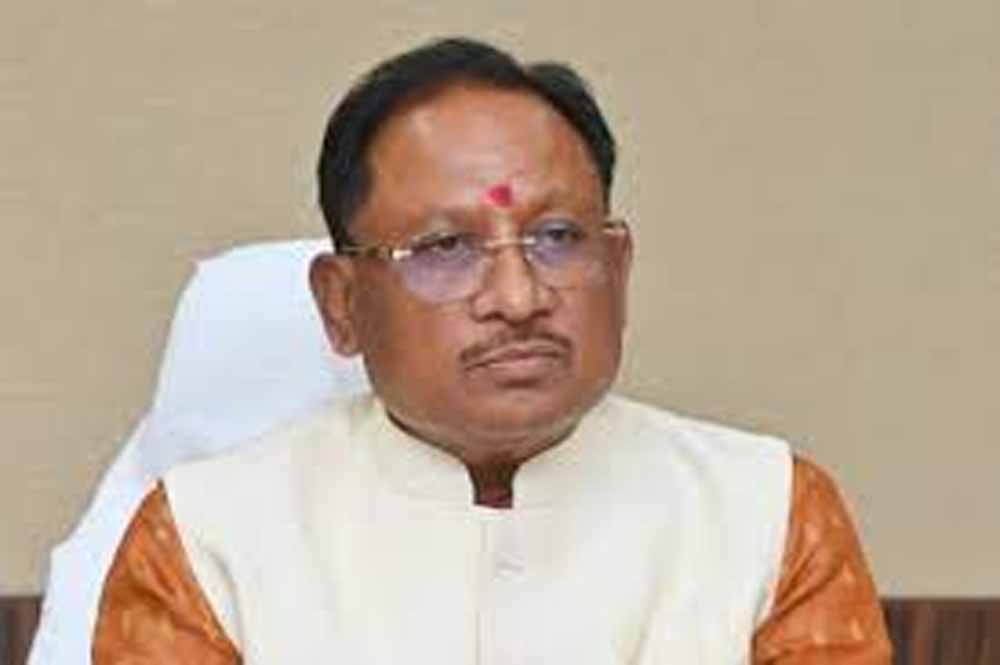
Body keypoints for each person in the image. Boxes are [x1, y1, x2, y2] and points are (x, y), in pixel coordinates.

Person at [92, 37, 891, 663]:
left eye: (557, 237)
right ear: (342, 303)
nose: (518, 296)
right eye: (445, 247)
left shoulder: (768, 515)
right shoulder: (206, 539)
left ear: (618, 267)